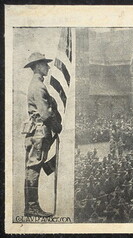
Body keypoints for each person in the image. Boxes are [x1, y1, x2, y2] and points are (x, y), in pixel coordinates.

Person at [23, 52, 59, 218]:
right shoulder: (38, 86)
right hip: (39, 131)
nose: (48, 67)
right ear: (37, 66)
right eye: (45, 64)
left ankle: (30, 206)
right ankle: (31, 206)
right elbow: (45, 114)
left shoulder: (36, 84)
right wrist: (57, 126)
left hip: (35, 131)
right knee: (34, 168)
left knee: (32, 168)